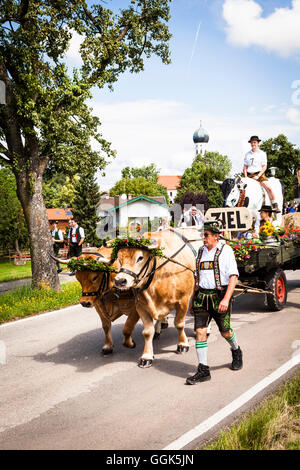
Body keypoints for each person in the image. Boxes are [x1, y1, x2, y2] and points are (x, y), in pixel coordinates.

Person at [186, 221, 242, 385]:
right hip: (201, 297)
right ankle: (203, 370)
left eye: (206, 235)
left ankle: (236, 350)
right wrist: (191, 300)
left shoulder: (226, 251)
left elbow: (233, 276)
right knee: (200, 332)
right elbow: (197, 279)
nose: (203, 238)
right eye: (203, 235)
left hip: (220, 297)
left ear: (216, 236)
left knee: (226, 332)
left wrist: (226, 299)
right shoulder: (201, 251)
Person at [243, 136, 280, 213]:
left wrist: (258, 176)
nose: (253, 144)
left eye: (255, 142)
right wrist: (246, 177)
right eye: (252, 142)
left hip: (259, 174)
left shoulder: (262, 153)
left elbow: (264, 166)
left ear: (258, 143)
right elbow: (245, 167)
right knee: (241, 189)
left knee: (269, 188)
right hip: (249, 175)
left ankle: (274, 205)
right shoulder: (247, 154)